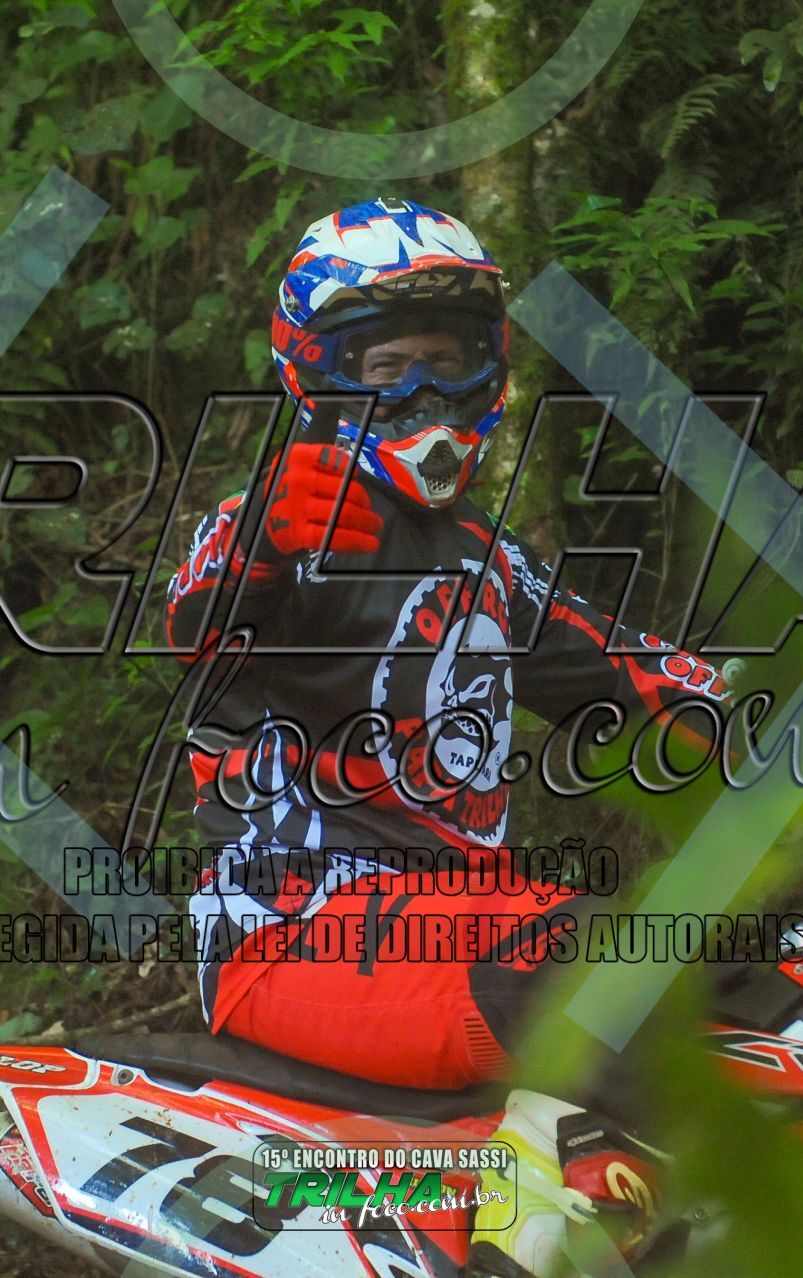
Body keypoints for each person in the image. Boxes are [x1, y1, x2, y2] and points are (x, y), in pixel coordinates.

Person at [163, 196, 737, 1276]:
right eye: (387, 368)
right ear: (320, 376)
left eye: (446, 360)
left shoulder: (492, 560)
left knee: (728, 973)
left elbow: (641, 675)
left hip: (460, 919)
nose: (423, 395)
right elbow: (200, 616)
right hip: (292, 932)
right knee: (593, 971)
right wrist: (264, 543)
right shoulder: (293, 519)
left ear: (490, 366)